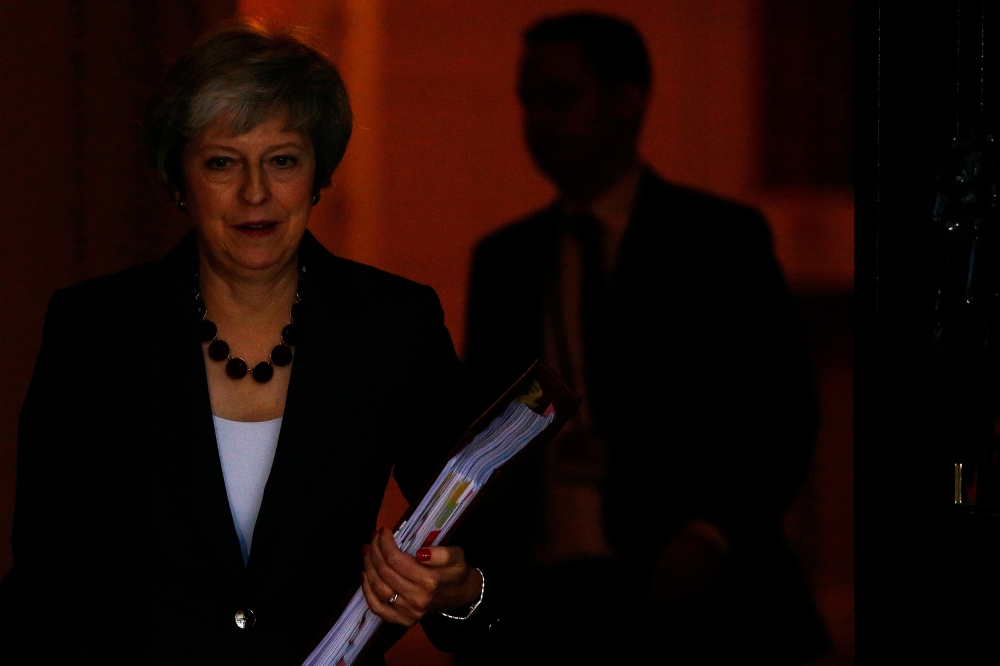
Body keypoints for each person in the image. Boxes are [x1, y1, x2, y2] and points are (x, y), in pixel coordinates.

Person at [0, 22, 490, 665]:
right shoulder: (94, 328)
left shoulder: (393, 325)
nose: (255, 193)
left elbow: (483, 560)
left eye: (282, 160)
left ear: (318, 172)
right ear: (180, 180)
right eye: (223, 162)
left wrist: (458, 589)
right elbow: (43, 573)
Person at [461, 12, 830, 664]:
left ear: (629, 99)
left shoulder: (717, 241)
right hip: (545, 604)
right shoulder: (505, 260)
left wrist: (712, 533)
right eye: (528, 100)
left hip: (692, 590)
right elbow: (481, 426)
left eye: (561, 97)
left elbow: (780, 412)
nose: (538, 119)